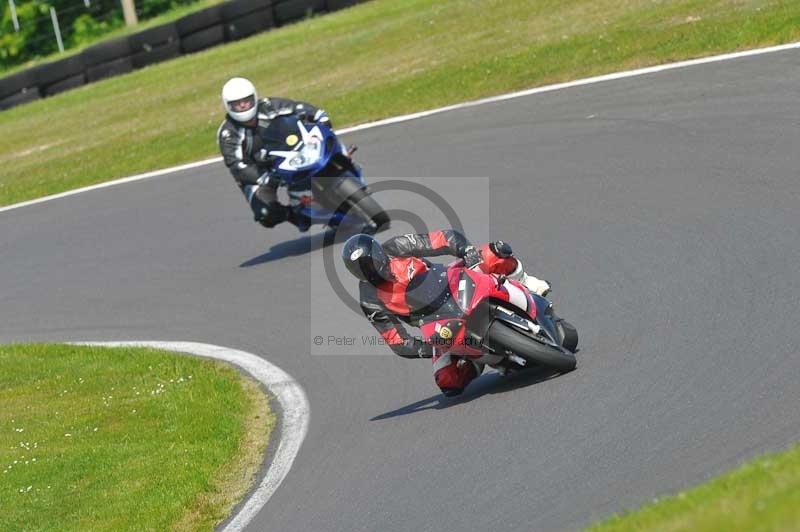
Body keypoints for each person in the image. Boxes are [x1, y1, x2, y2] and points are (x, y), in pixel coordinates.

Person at [341, 230, 551, 397]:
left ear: (379, 253)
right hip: (438, 323)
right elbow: (396, 341)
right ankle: (489, 361)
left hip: (451, 283)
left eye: (372, 264)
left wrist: (465, 249)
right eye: (363, 271)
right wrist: (427, 347)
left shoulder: (397, 246)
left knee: (493, 251)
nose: (372, 271)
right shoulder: (369, 299)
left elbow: (442, 238)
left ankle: (526, 282)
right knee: (448, 381)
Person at [217, 77, 332, 231]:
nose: (243, 105)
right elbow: (237, 165)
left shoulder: (269, 106)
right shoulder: (228, 133)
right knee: (266, 213)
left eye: (246, 100)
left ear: (254, 97)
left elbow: (297, 107)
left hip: (289, 153)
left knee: (325, 148)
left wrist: (319, 116)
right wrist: (264, 178)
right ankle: (296, 215)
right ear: (228, 106)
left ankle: (345, 165)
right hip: (261, 172)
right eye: (237, 104)